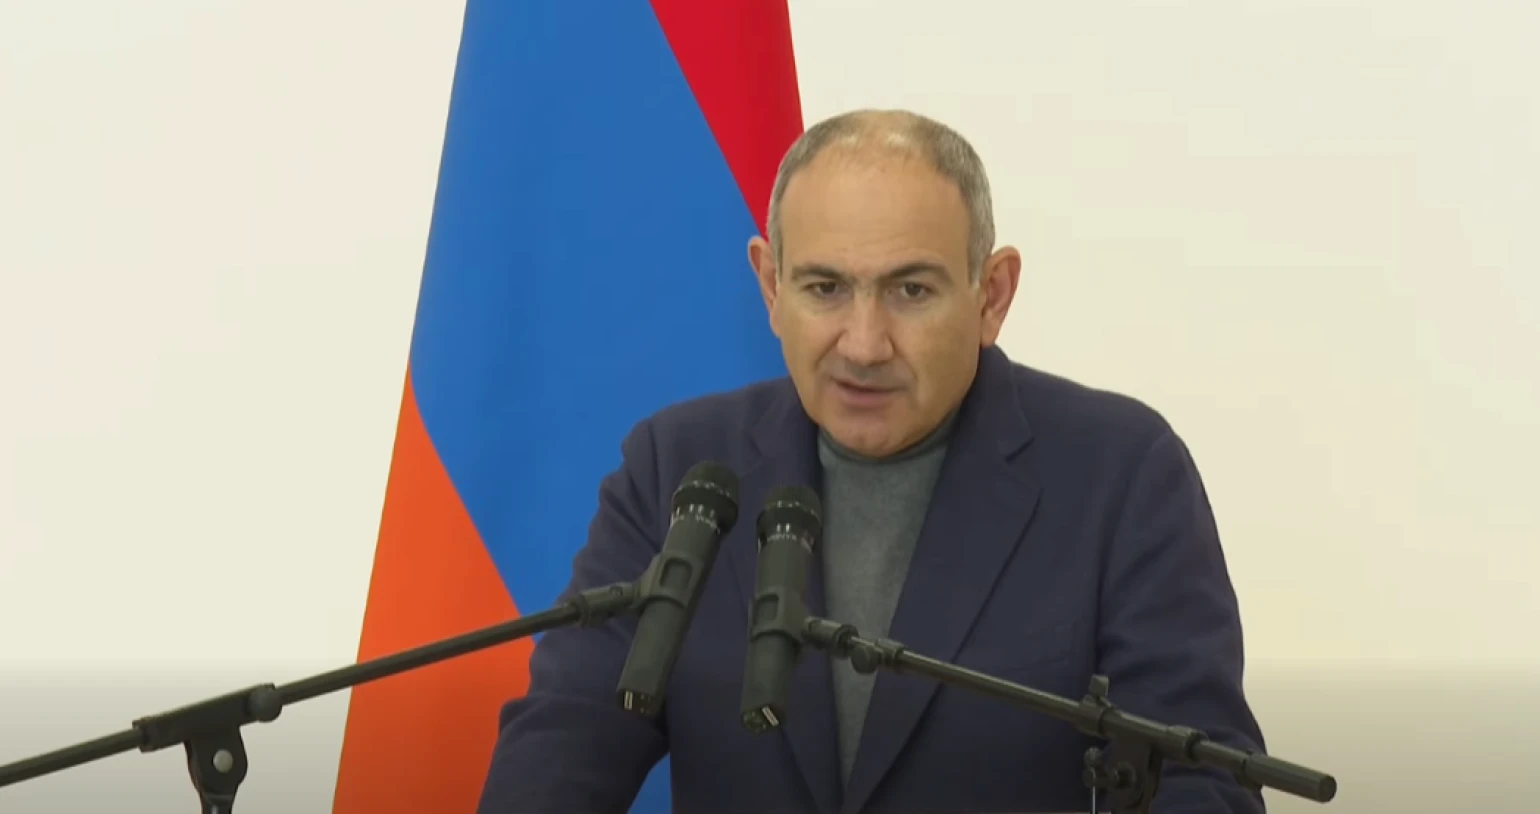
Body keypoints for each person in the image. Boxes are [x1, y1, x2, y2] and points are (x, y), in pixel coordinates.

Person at [476, 109, 1267, 814]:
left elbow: (1202, 780)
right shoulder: (677, 468)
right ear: (770, 285)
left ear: (991, 295)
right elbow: (565, 741)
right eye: (825, 287)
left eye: (910, 291)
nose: (863, 344)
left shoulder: (1121, 473)